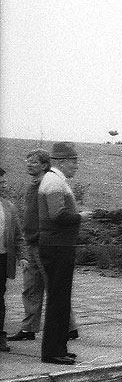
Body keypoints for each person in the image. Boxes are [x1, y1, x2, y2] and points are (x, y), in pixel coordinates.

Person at [7, 149, 79, 343]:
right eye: (27, 161)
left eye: (34, 162)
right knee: (30, 288)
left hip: (44, 243)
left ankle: (69, 327)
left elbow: (52, 215)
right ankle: (29, 328)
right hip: (31, 242)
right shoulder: (32, 186)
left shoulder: (47, 184)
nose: (29, 164)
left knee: (53, 288)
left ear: (45, 165)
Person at [37, 142, 92, 365]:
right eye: (73, 161)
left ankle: (59, 347)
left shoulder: (56, 180)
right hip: (57, 247)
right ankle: (52, 352)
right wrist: (82, 216)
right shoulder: (54, 181)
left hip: (59, 246)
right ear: (60, 161)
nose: (76, 165)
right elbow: (57, 216)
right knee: (58, 301)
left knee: (60, 300)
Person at [0, 166, 29, 352]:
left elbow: (18, 236)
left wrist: (23, 256)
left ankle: (0, 337)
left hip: (2, 259)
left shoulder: (8, 208)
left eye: (3, 181)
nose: (3, 184)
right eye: (0, 182)